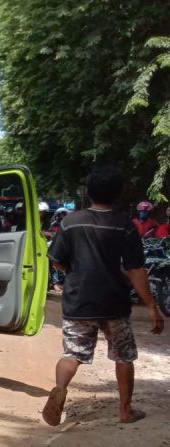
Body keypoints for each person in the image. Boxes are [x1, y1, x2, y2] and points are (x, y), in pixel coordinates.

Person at [43, 166, 164, 426]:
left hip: (78, 299)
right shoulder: (124, 224)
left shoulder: (70, 222)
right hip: (114, 301)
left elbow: (56, 261)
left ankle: (61, 388)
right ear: (118, 194)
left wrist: (75, 273)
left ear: (88, 192)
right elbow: (135, 269)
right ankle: (125, 411)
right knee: (124, 356)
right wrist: (152, 306)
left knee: (72, 353)